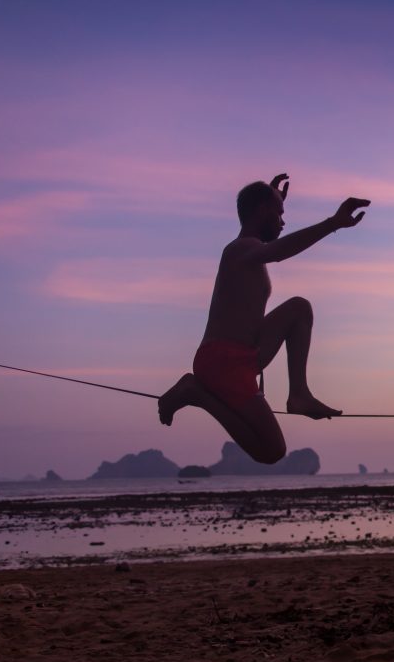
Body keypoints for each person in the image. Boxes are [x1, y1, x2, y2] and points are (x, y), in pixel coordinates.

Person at [157, 173, 370, 463]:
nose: (283, 222)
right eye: (279, 213)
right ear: (262, 211)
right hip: (224, 362)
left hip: (244, 358)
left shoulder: (248, 251)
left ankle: (299, 394)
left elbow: (265, 227)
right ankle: (196, 393)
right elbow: (280, 252)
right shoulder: (240, 249)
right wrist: (333, 223)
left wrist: (270, 196)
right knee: (272, 451)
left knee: (299, 308)